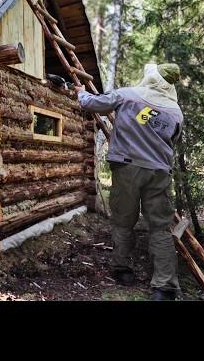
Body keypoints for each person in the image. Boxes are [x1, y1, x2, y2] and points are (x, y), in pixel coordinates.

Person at [75, 63, 183, 301]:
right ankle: (164, 288)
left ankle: (123, 270)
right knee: (160, 227)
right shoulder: (175, 111)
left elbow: (91, 103)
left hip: (126, 167)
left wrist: (79, 91)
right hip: (159, 172)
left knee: (124, 221)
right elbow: (173, 139)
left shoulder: (128, 95)